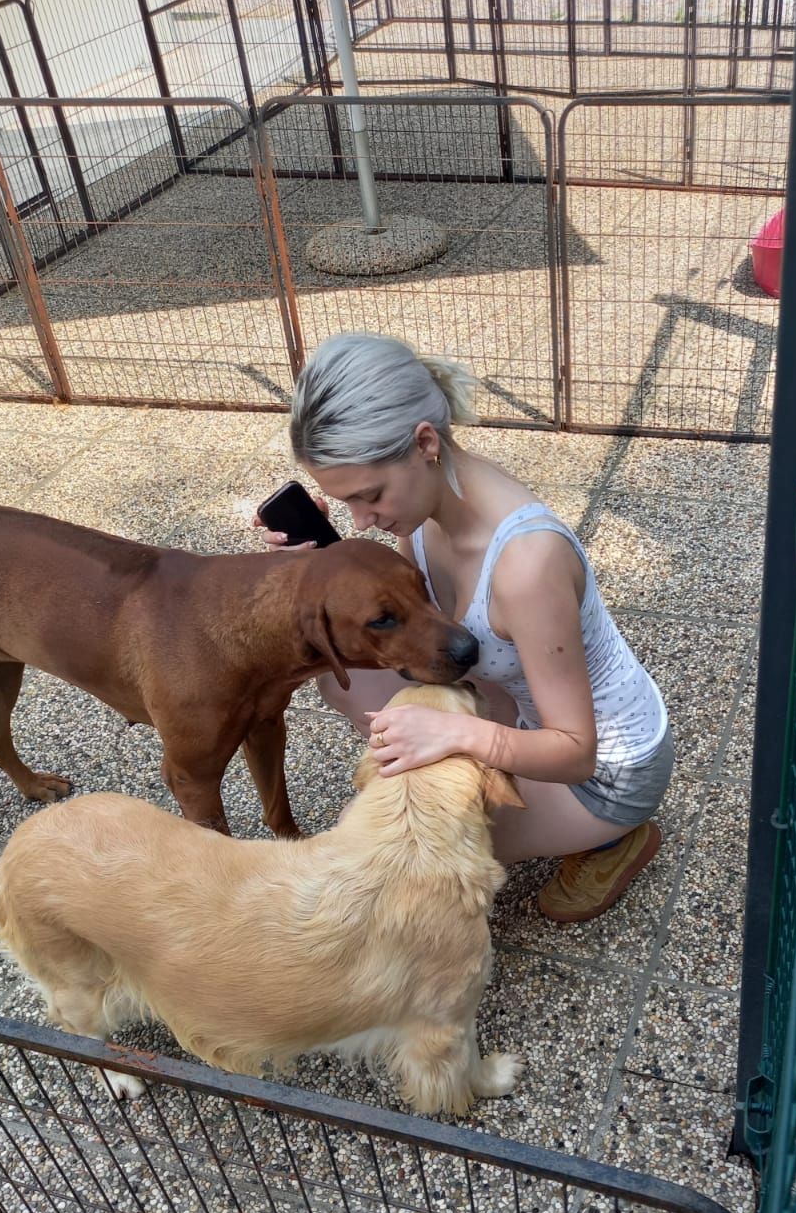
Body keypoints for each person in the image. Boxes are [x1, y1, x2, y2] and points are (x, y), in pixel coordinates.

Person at [257, 332, 672, 923]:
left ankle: (611, 840)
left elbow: (577, 753)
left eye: (369, 496)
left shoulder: (527, 566)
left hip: (602, 773)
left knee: (398, 861)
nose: (362, 520)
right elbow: (411, 621)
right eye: (346, 503)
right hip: (514, 704)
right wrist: (321, 564)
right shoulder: (430, 500)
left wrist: (454, 736)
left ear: (424, 442)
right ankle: (461, 780)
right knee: (341, 676)